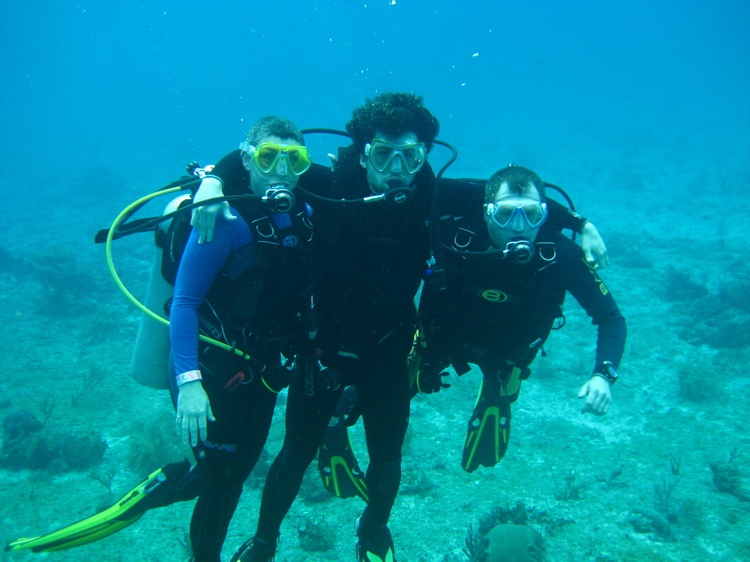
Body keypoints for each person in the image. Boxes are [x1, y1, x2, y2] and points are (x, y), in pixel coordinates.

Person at [194, 93, 606, 562]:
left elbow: (514, 199)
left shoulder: (431, 196)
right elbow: (265, 162)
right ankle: (265, 540)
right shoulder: (328, 185)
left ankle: (373, 530)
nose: (396, 168)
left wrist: (579, 222)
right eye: (383, 153)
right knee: (295, 452)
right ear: (364, 151)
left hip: (390, 351)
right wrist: (209, 181)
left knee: (387, 457)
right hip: (321, 346)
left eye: (410, 156)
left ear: (424, 156)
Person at [6, 117, 316, 562]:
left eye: (295, 159)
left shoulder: (304, 211)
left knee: (232, 472)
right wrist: (188, 382)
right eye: (269, 157)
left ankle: (163, 485)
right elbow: (185, 302)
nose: (282, 170)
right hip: (210, 368)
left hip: (260, 370)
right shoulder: (222, 219)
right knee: (223, 487)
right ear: (248, 159)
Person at [417, 164, 626, 473]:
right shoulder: (451, 238)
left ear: (544, 213)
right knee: (395, 378)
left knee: (505, 378)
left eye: (531, 214)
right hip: (440, 341)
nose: (518, 226)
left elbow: (610, 318)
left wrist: (603, 376)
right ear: (486, 212)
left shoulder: (560, 253)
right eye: (505, 215)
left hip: (510, 352)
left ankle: (496, 392)